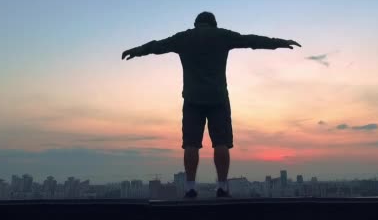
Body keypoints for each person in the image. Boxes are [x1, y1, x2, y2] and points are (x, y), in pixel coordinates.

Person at [121, 12, 301, 198]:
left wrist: (135, 51)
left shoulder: (184, 37)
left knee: (191, 144)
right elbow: (251, 41)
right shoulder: (222, 35)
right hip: (218, 99)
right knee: (221, 143)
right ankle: (222, 186)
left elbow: (157, 46)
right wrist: (279, 42)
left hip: (192, 99)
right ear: (213, 24)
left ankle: (190, 187)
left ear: (196, 24)